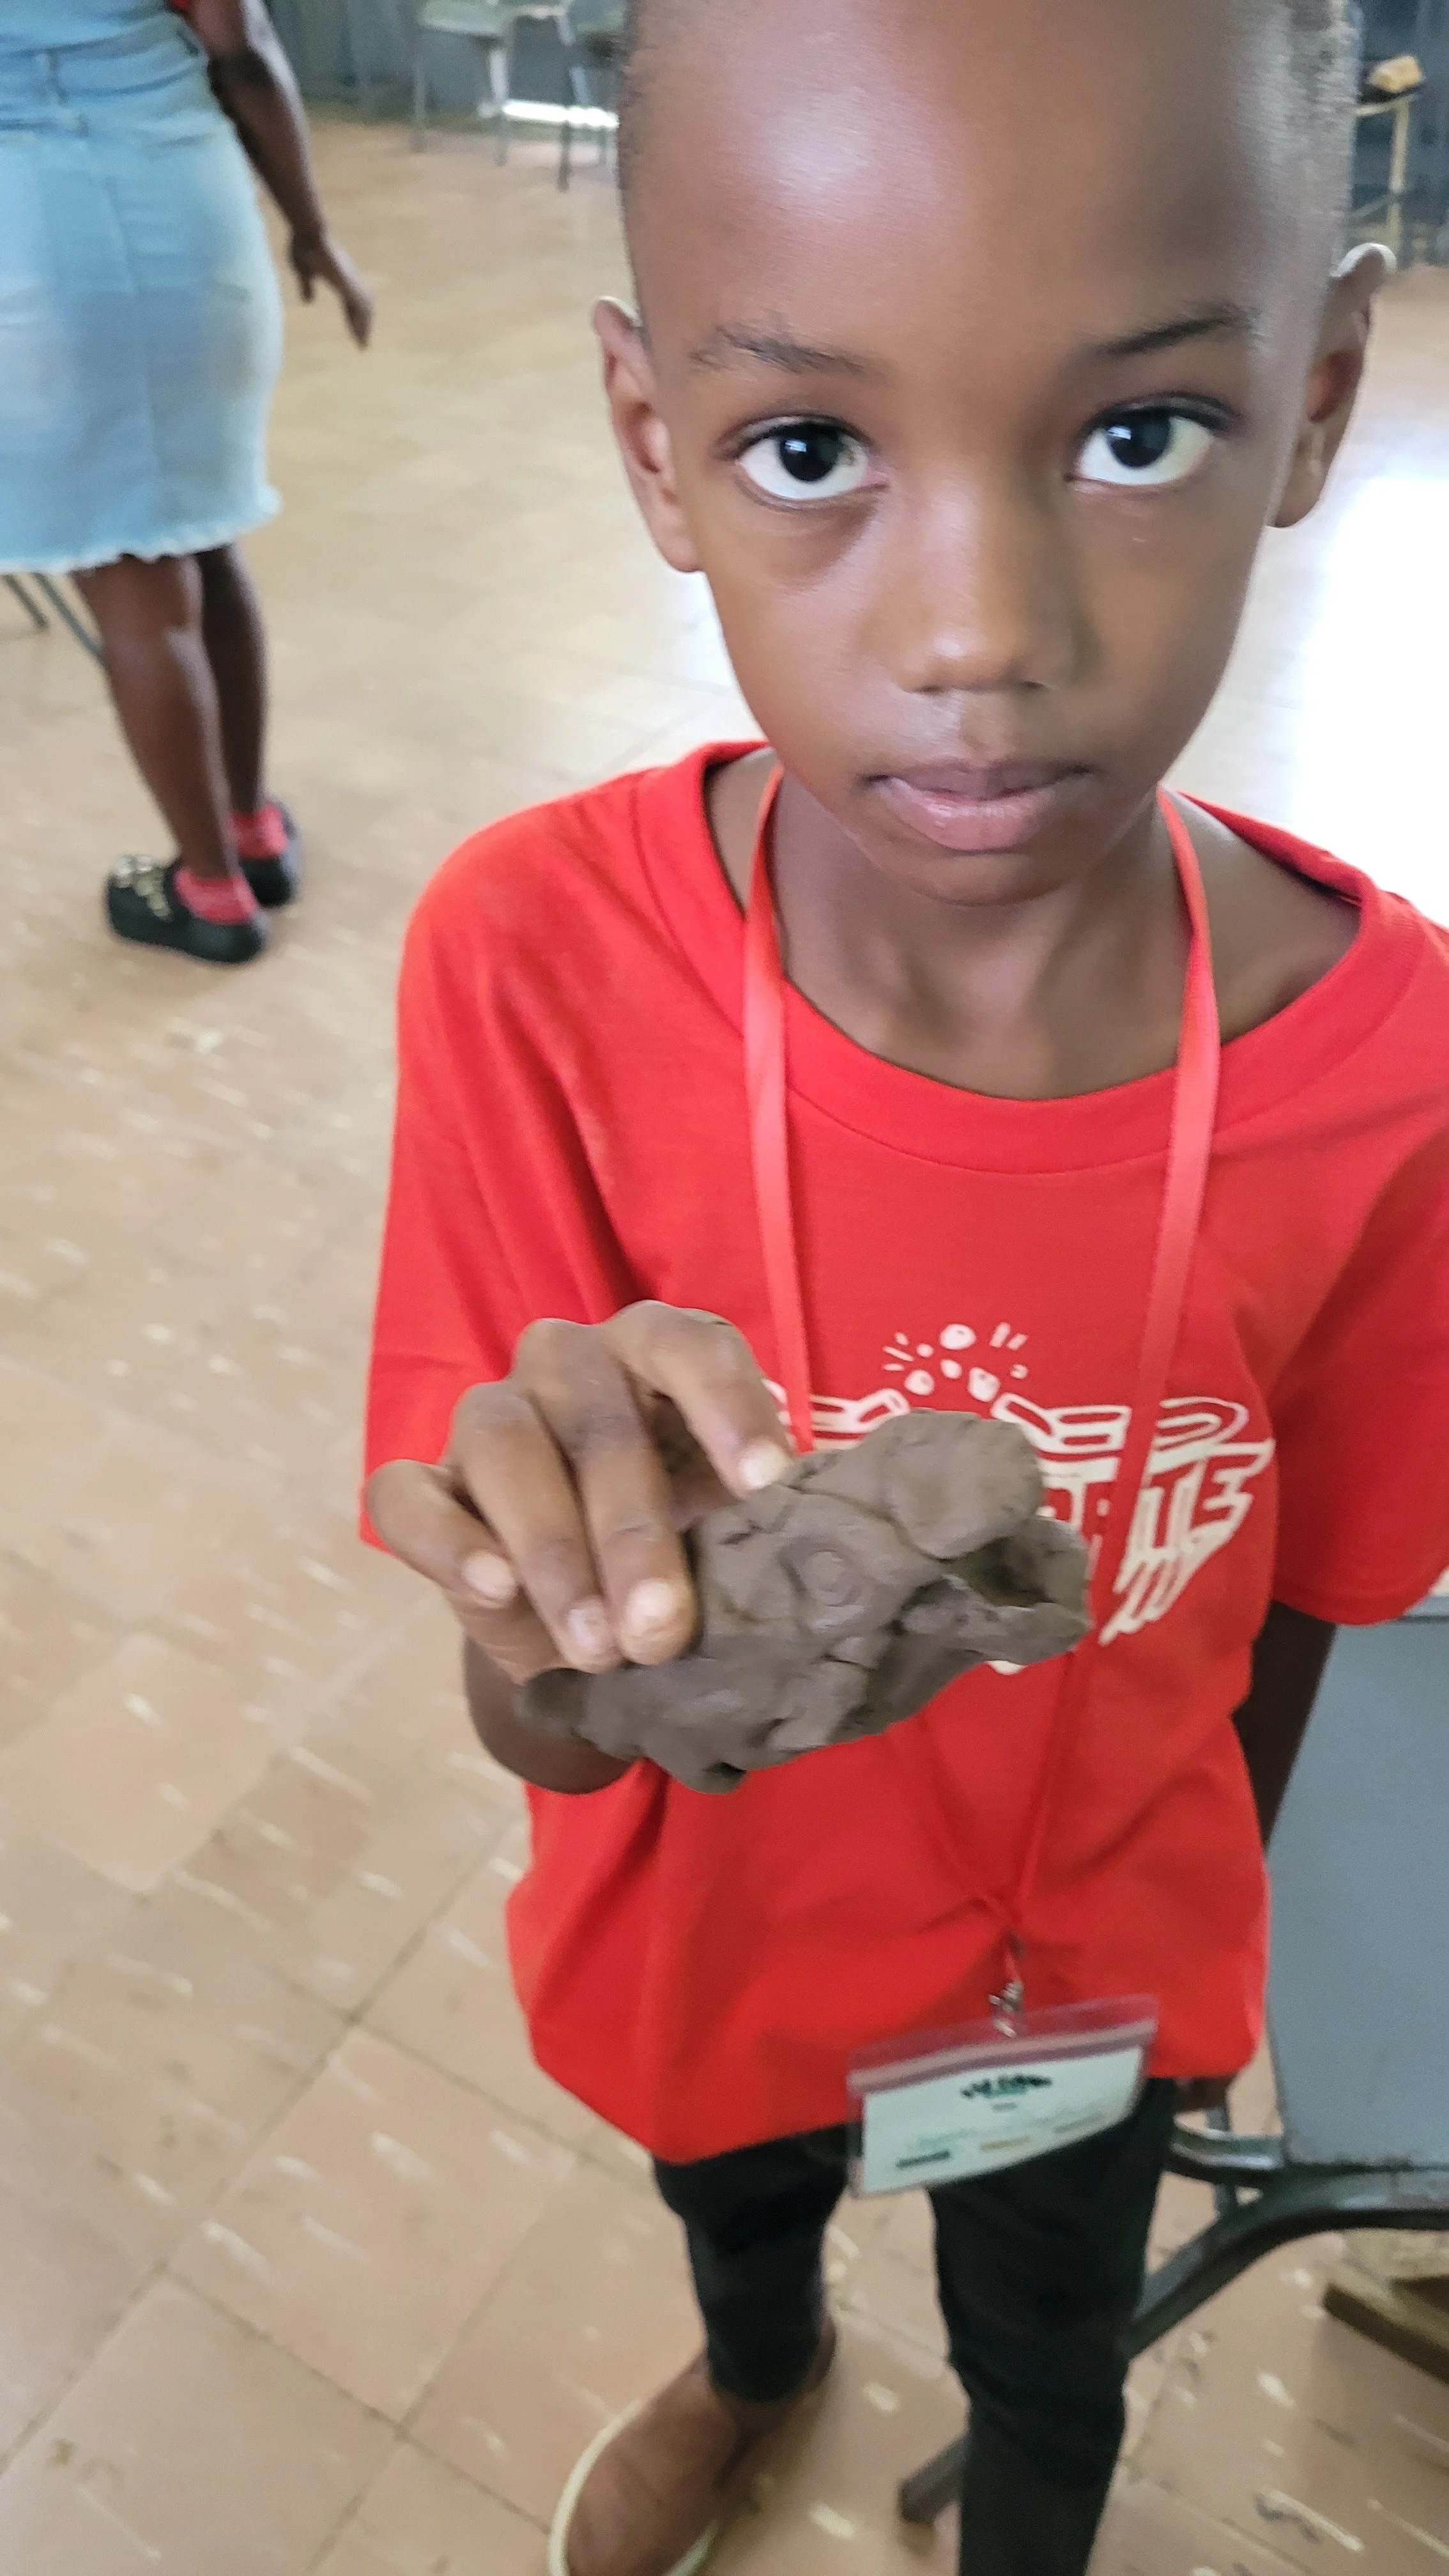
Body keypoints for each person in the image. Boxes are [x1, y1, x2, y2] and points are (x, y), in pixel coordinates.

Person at [364, 3, 1449, 2570]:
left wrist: (1185, 1932)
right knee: (733, 2198)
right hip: (713, 1938)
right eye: (813, 452)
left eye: (1137, 430)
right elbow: (545, 1731)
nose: (979, 631)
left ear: (1313, 400)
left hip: (1089, 1993)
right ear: (658, 448)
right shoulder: (531, 964)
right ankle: (756, 2363)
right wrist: (562, 1633)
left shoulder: (1402, 1074)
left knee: (1052, 2351)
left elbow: (1321, 1598)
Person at [0, 0, 371, 967]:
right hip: (190, 215)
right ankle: (251, 830)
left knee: (133, 581)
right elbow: (239, 53)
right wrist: (311, 229)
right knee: (207, 537)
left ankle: (208, 891)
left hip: (34, 245)